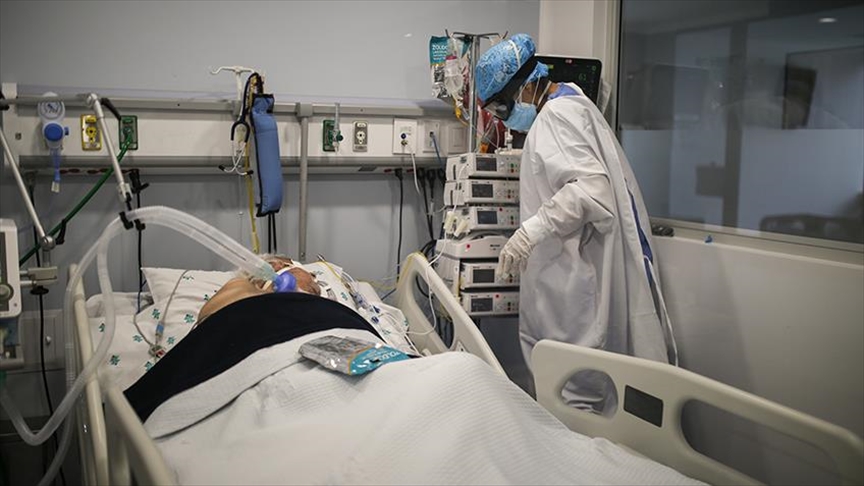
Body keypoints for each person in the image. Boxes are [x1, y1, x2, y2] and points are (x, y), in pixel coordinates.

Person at [475, 34, 678, 411]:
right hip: (571, 274)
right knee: (571, 389)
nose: (504, 118)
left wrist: (529, 232)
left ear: (525, 85)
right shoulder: (574, 104)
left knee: (576, 395)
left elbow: (591, 189)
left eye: (501, 107)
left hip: (575, 283)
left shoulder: (555, 116)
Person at [197, 255, 321, 323]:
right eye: (311, 275)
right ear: (275, 266)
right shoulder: (238, 285)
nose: (316, 283)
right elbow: (208, 324)